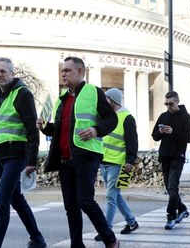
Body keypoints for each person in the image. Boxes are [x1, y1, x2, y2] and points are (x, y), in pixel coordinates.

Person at [37, 56, 119, 248]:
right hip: (65, 159)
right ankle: (76, 244)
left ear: (80, 72)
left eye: (67, 70)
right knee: (70, 207)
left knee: (85, 201)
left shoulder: (93, 92)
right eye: (62, 70)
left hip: (86, 155)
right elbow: (57, 131)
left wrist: (96, 130)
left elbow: (111, 119)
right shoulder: (60, 100)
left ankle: (111, 240)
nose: (63, 73)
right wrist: (44, 127)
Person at [0, 57, 46, 248]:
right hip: (0, 156)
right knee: (16, 199)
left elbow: (32, 130)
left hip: (17, 155)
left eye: (3, 71)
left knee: (1, 201)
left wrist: (31, 161)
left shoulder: (22, 94)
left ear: (12, 73)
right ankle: (37, 239)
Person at [93, 88, 139, 242]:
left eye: (106, 99)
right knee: (116, 195)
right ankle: (132, 222)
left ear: (112, 100)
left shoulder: (127, 118)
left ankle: (107, 230)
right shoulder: (107, 117)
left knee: (111, 196)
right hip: (104, 161)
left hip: (118, 163)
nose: (104, 101)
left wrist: (130, 161)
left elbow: (132, 141)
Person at [151, 91, 190, 230]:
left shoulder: (185, 117)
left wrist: (172, 132)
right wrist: (161, 132)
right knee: (169, 188)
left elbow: (189, 138)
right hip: (165, 155)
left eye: (171, 104)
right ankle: (182, 209)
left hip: (177, 156)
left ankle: (171, 216)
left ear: (177, 101)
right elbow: (155, 136)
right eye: (166, 104)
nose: (168, 106)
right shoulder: (164, 116)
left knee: (172, 186)